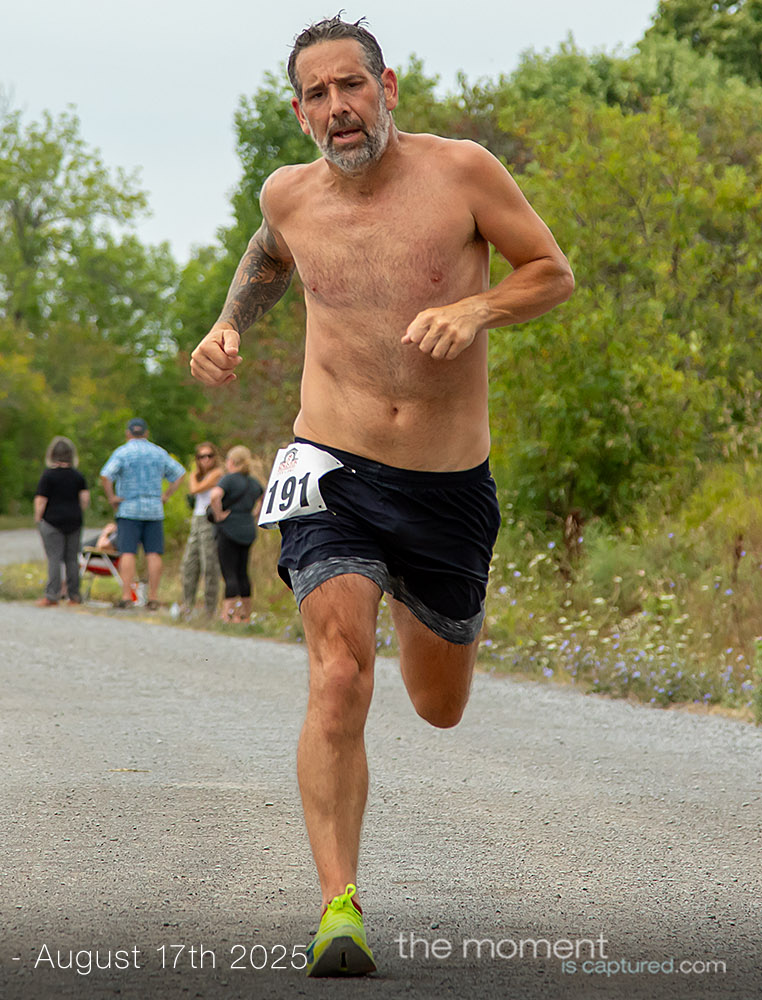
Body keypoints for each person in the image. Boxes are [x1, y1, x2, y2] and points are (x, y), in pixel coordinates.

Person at [189, 16, 573, 978]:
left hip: (446, 486)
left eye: (351, 86)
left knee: (438, 706)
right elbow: (268, 256)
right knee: (338, 675)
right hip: (333, 467)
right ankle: (339, 910)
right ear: (298, 111)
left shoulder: (464, 173)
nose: (338, 108)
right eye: (316, 94)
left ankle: (418, 603)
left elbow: (551, 273)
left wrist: (477, 307)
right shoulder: (288, 194)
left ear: (387, 86)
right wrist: (227, 327)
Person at [98, 417, 186, 609]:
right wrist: (166, 495)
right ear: (146, 433)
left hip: (129, 508)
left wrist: (112, 497)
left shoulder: (123, 452)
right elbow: (179, 473)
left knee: (128, 552)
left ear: (128, 433)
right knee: (154, 553)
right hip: (154, 510)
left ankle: (126, 597)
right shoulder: (158, 452)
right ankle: (153, 597)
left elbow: (106, 475)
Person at [208, 446, 265, 623]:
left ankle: (227, 615)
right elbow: (264, 497)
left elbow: (214, 495)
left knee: (229, 573)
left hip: (229, 529)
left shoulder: (229, 479)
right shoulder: (253, 482)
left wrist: (218, 514)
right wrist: (255, 514)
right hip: (247, 529)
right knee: (243, 573)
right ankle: (246, 615)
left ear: (231, 462)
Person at [33, 435, 89, 606]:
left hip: (52, 521)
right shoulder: (78, 476)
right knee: (72, 559)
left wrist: (38, 519)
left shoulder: (48, 476)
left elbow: (41, 500)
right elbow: (85, 500)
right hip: (74, 521)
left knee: (54, 559)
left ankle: (52, 595)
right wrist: (77, 511)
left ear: (51, 455)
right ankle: (74, 596)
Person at [177, 441, 225, 620]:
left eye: (209, 456)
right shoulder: (199, 475)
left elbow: (194, 489)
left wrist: (193, 476)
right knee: (189, 563)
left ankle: (210, 609)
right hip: (196, 519)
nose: (205, 460)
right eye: (201, 457)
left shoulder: (217, 473)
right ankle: (187, 605)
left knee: (209, 564)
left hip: (208, 519)